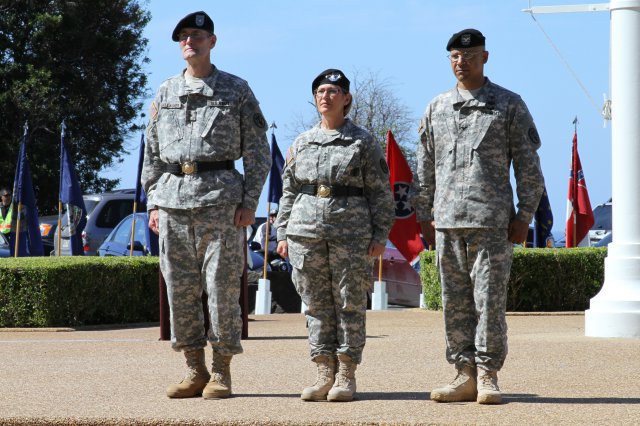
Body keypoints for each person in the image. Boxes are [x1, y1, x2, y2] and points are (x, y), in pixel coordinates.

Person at [141, 11, 271, 400]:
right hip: (173, 202)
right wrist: (152, 202)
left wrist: (250, 201)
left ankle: (221, 371)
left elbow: (258, 151)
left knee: (221, 288)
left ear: (212, 42)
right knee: (180, 289)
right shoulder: (165, 92)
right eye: (183, 36)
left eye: (197, 35)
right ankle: (193, 369)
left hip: (221, 202)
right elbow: (152, 152)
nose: (189, 41)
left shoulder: (236, 90)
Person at [413, 29, 545, 405]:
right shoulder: (436, 107)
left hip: (492, 222)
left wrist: (524, 215)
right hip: (447, 221)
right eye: (455, 56)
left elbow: (528, 167)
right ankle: (463, 373)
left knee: (488, 301)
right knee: (454, 304)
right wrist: (424, 212)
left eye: (469, 55)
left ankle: (488, 375)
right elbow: (424, 165)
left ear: (485, 57)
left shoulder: (508, 105)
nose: (462, 62)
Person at [275, 69, 394, 402]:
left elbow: (381, 192)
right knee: (315, 304)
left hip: (350, 234)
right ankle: (323, 370)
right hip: (305, 233)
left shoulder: (362, 141)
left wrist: (380, 232)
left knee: (349, 302)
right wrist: (283, 231)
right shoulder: (301, 142)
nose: (325, 97)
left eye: (333, 91)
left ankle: (346, 373)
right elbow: (289, 190)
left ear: (346, 99)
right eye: (320, 92)